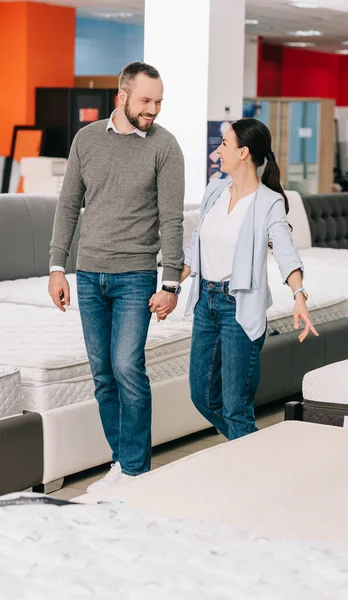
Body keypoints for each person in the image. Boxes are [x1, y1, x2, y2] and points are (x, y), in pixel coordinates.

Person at [48, 62, 184, 491]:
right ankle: (121, 464)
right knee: (103, 373)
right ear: (121, 97)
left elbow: (172, 220)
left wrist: (170, 283)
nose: (153, 109)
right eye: (146, 100)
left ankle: (136, 471)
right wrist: (56, 267)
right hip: (89, 275)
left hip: (136, 276)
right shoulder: (86, 140)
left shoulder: (166, 146)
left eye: (159, 101)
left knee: (127, 366)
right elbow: (68, 205)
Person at [151, 118, 318, 441]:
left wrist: (299, 295)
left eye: (224, 144)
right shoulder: (214, 190)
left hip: (238, 308)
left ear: (243, 153)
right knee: (202, 396)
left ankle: (250, 469)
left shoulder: (268, 202)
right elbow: (195, 248)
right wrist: (170, 288)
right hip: (205, 303)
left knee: (235, 407)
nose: (218, 151)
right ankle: (255, 448)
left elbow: (285, 251)